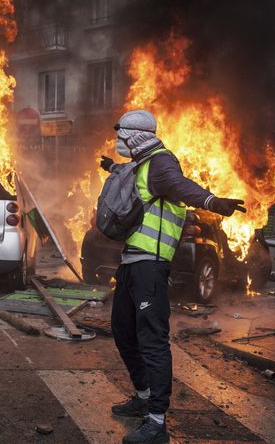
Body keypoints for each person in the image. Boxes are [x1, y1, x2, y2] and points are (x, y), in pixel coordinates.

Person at [100, 110, 245, 444]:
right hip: (132, 262)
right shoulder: (142, 162)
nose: (118, 139)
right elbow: (131, 177)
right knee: (123, 329)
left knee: (152, 339)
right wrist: (110, 167)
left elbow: (180, 186)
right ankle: (143, 395)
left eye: (122, 133)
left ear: (136, 134)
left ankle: (157, 421)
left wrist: (213, 201)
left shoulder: (162, 162)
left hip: (151, 264)